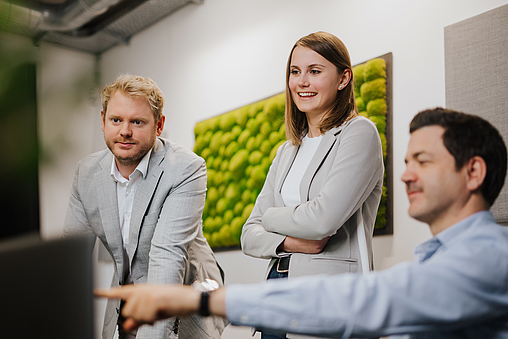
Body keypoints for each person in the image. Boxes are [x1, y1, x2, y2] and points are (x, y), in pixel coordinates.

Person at [97, 107, 508, 338]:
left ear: (473, 173)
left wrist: (199, 300)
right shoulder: (438, 260)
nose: (404, 175)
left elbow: (365, 299)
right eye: (405, 162)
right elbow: (250, 232)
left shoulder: (488, 257)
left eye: (423, 161)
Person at [240, 31, 384, 339]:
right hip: (276, 290)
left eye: (315, 71)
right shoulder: (287, 150)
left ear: (344, 78)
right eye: (295, 72)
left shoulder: (359, 134)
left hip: (331, 300)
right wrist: (288, 242)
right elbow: (248, 235)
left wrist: (271, 218)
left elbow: (322, 220)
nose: (301, 82)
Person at [63, 75, 225, 339]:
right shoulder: (87, 173)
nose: (125, 131)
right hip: (126, 302)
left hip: (184, 298)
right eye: (116, 120)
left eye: (137, 122)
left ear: (159, 125)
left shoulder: (185, 168)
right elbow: (70, 262)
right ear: (103, 121)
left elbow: (167, 258)